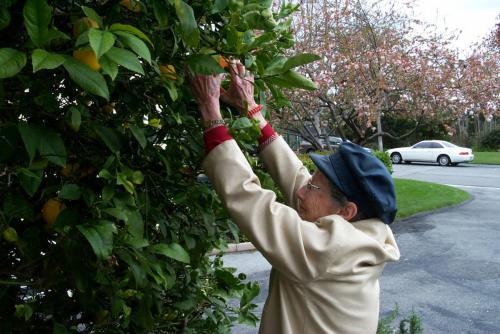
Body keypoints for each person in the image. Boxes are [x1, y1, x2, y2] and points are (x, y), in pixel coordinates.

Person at [190, 63, 400, 334]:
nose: (301, 191)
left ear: (347, 211)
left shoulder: (327, 251)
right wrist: (251, 110)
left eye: (313, 189)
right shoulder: (363, 234)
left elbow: (250, 201)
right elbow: (297, 176)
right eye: (311, 182)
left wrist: (210, 110)